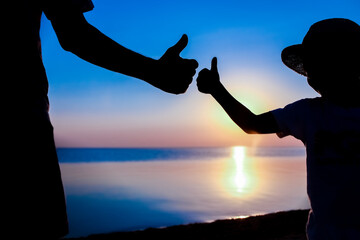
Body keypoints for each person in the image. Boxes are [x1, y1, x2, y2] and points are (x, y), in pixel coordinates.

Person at [5, 0, 198, 239]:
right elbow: (73, 33)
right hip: (22, 119)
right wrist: (155, 72)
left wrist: (156, 72)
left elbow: (73, 34)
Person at [196, 18, 360, 239]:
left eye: (315, 62)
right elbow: (252, 124)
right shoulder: (307, 113)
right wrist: (217, 90)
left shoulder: (308, 113)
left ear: (342, 63)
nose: (309, 74)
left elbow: (251, 125)